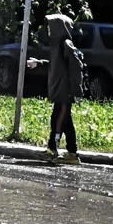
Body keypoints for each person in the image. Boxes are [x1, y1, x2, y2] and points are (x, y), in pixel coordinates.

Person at [46, 11, 85, 162]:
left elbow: (76, 65)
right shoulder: (56, 46)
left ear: (60, 27)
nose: (49, 30)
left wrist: (76, 89)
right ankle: (72, 153)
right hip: (60, 91)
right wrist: (39, 63)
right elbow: (57, 66)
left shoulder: (65, 44)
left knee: (58, 119)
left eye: (51, 26)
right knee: (66, 121)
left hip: (65, 91)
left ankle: (52, 149)